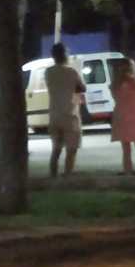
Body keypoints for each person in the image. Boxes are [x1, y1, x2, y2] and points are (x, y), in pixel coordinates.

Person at [45, 43, 86, 178]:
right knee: (71, 148)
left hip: (55, 114)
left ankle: (53, 174)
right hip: (70, 115)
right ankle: (68, 175)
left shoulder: (48, 72)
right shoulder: (71, 72)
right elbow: (82, 87)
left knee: (56, 148)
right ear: (65, 55)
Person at [111, 59, 135, 176]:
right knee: (126, 147)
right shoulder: (116, 83)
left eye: (127, 68)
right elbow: (115, 96)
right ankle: (128, 170)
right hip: (124, 116)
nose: (125, 71)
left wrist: (131, 80)